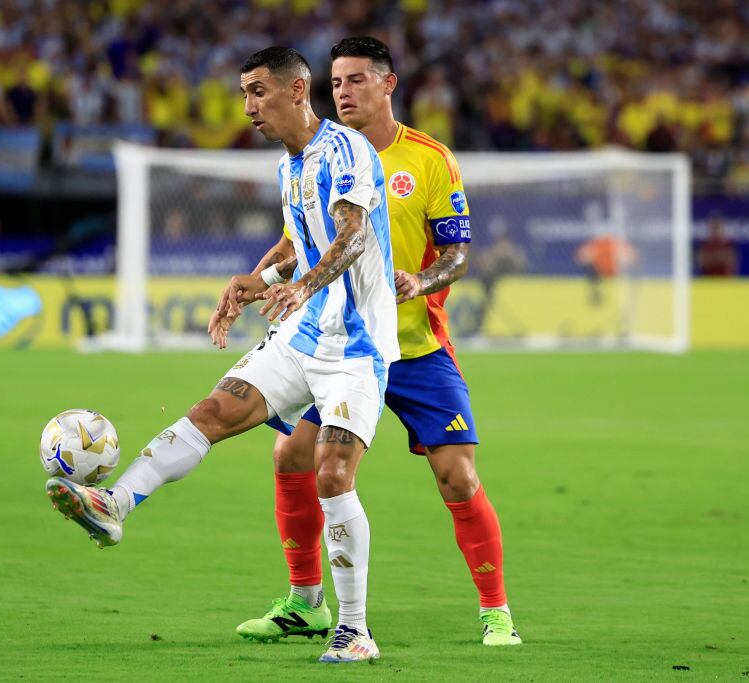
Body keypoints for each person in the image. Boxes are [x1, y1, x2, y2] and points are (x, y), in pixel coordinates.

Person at [47, 46, 397, 664]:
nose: (248, 107)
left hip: (357, 343)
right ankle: (114, 504)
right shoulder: (288, 166)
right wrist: (255, 280)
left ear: (297, 90)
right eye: (244, 94)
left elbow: (352, 234)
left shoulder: (343, 149)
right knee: (214, 410)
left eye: (258, 91)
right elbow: (299, 237)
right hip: (304, 329)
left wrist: (301, 285)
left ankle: (354, 630)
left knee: (333, 474)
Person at [210, 36, 521, 649]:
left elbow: (458, 253)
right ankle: (306, 603)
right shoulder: (319, 154)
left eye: (355, 80)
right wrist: (261, 278)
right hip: (339, 344)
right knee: (291, 458)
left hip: (416, 346)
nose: (343, 92)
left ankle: (496, 610)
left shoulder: (430, 160)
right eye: (336, 82)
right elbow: (297, 240)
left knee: (458, 478)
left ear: (387, 84)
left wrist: (420, 281)